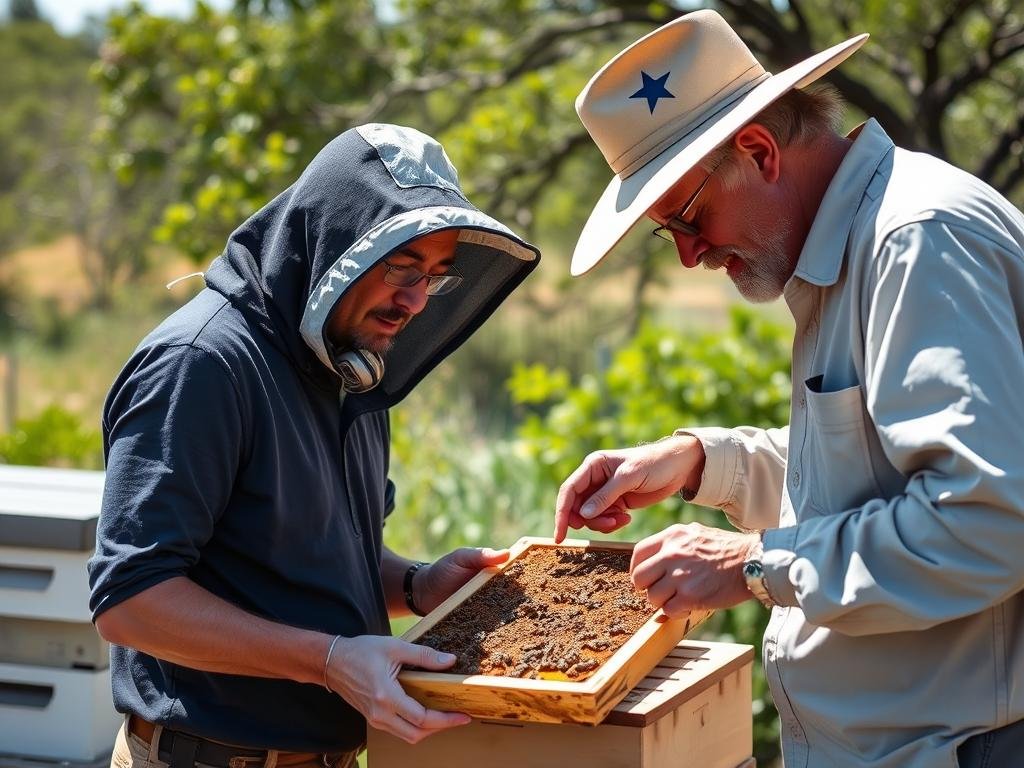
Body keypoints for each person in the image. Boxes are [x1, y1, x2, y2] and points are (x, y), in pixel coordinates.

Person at [555, 9, 1024, 767]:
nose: (688, 255)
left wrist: (752, 564)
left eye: (687, 216)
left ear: (760, 151)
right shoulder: (852, 246)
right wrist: (703, 462)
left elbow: (986, 521)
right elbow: (866, 476)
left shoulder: (917, 240)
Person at [88, 123, 540, 768]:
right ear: (332, 249)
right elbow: (131, 601)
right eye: (400, 268)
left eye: (436, 276)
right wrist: (329, 663)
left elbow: (313, 555)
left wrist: (417, 585)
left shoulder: (348, 362)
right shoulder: (202, 364)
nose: (414, 301)